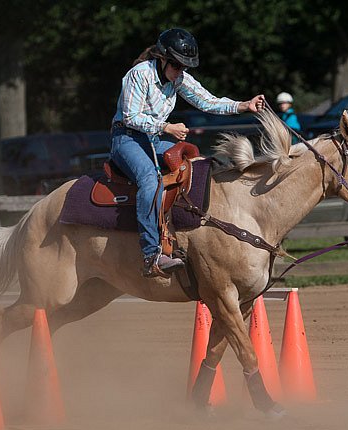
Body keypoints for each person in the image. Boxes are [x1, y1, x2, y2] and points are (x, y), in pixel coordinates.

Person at [110, 28, 266, 277]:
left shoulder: (179, 79)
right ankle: (152, 255)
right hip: (126, 139)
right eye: (177, 65)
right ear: (163, 59)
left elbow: (208, 101)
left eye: (184, 67)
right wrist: (166, 127)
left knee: (196, 163)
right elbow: (130, 117)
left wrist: (243, 106)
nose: (180, 71)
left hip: (153, 139)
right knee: (150, 181)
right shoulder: (138, 75)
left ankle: (187, 235)